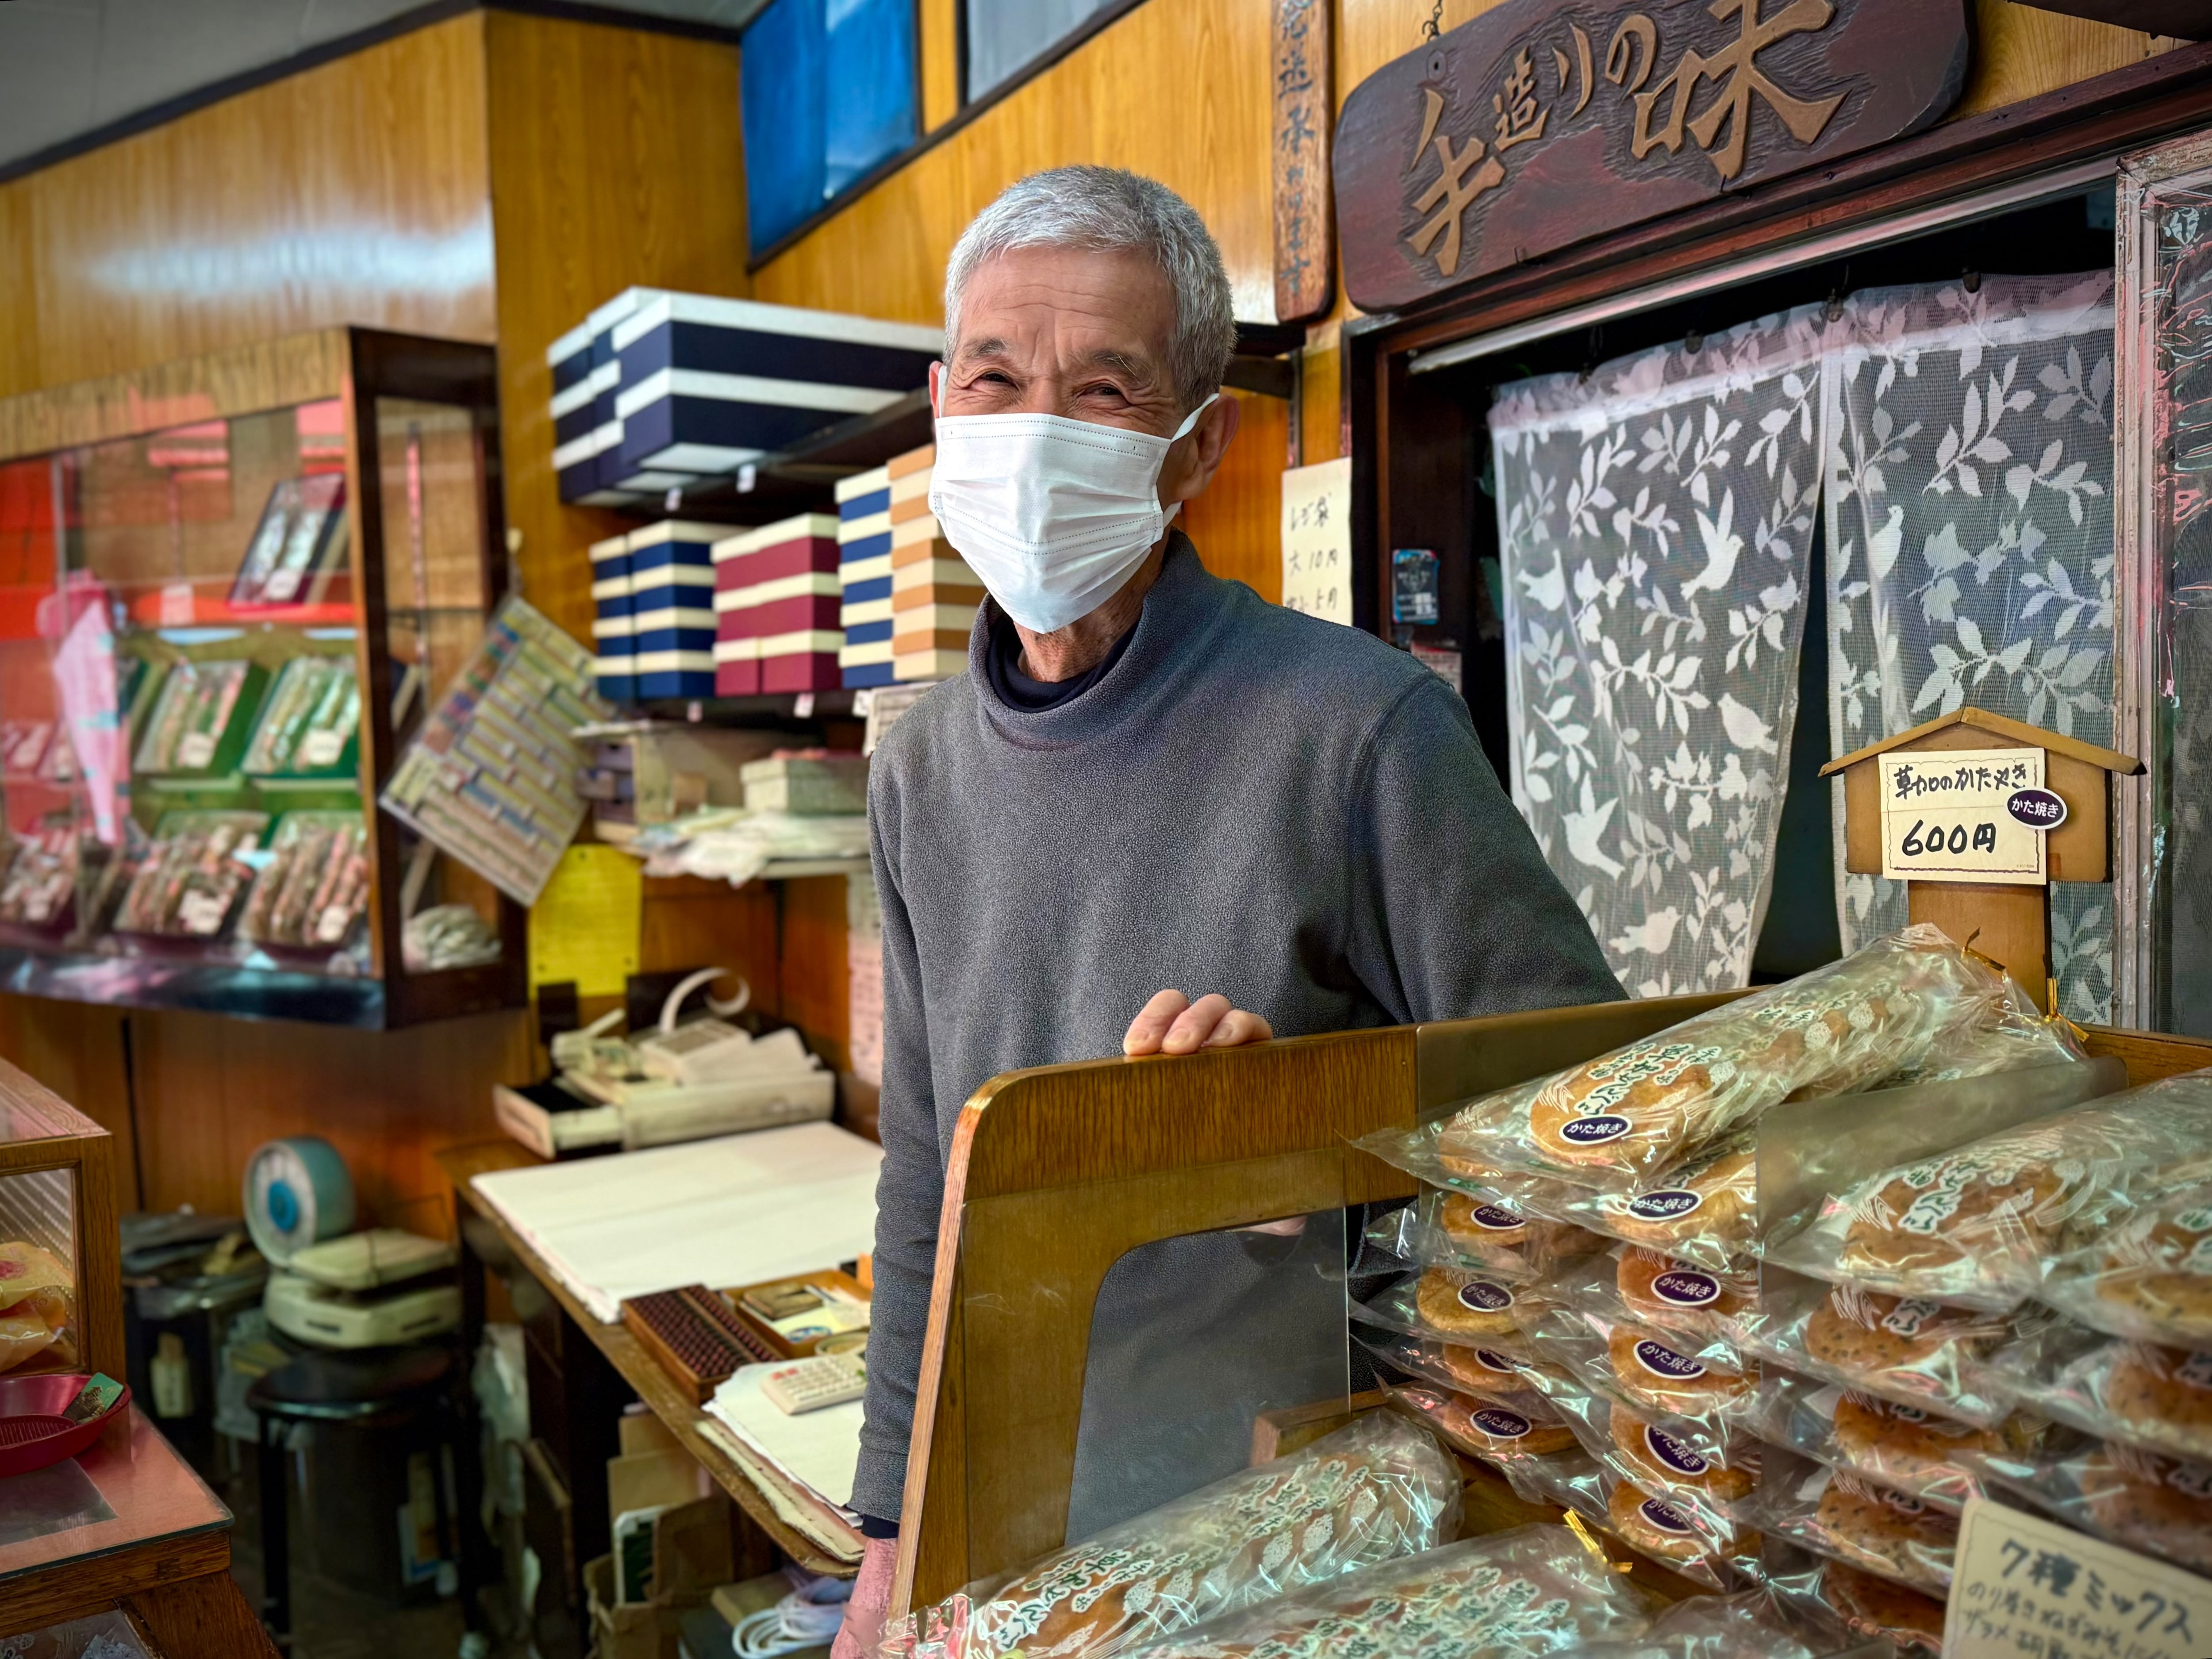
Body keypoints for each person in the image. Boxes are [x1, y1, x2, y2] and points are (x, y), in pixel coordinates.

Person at [832, 165, 1621, 1657]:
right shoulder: (919, 765)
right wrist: (892, 1523)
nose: (1035, 428)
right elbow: (931, 1164)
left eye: (1107, 390)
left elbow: (1587, 1138)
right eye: (997, 377)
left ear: (1197, 449)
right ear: (942, 405)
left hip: (1306, 1523)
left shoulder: (1358, 728)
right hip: (1006, 1505)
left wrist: (1317, 1153)